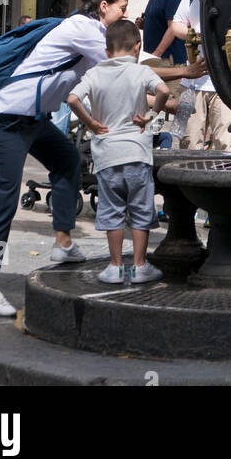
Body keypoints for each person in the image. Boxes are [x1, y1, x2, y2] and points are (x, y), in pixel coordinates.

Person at [0, 0, 132, 319]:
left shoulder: (88, 31)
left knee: (67, 160)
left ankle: (62, 243)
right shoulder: (84, 31)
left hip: (33, 119)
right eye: (122, 8)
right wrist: (182, 72)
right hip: (7, 120)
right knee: (3, 205)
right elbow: (127, 69)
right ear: (104, 7)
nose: (126, 15)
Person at [68, 19, 166, 284]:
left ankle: (114, 266)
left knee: (112, 211)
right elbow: (164, 90)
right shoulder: (141, 72)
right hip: (136, 153)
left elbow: (72, 99)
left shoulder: (94, 73)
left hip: (107, 156)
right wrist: (151, 115)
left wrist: (90, 123)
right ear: (138, 47)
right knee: (140, 211)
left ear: (107, 51)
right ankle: (139, 266)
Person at [171, 0, 231, 151]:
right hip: (193, 83)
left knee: (227, 144)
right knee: (189, 142)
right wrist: (195, 35)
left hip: (226, 83)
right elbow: (176, 25)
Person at [140, 0, 184, 65]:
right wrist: (143, 24)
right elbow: (159, 24)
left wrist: (157, 54)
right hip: (153, 58)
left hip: (168, 61)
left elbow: (173, 28)